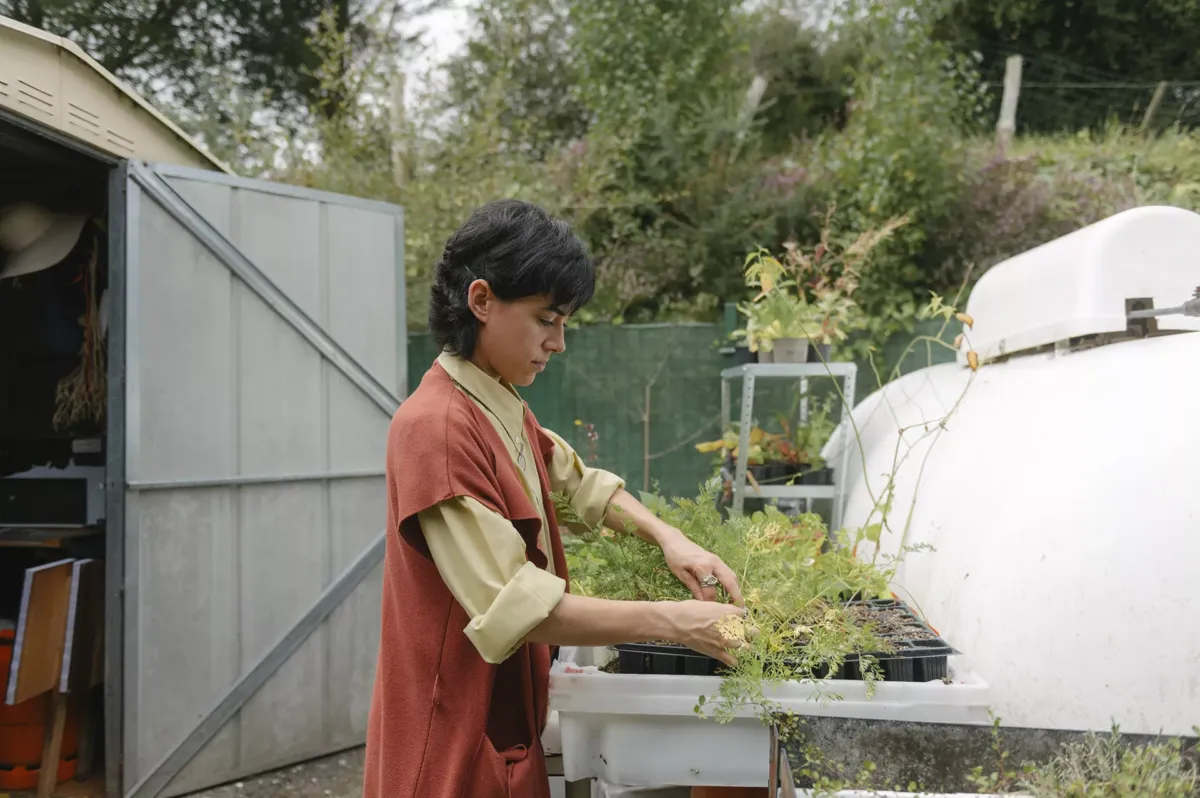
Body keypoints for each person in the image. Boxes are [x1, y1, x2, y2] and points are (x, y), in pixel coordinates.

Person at [363, 199, 746, 798]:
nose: (559, 342)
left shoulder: (497, 402)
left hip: (500, 721)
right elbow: (523, 605)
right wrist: (680, 623)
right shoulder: (434, 428)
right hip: (451, 742)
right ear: (482, 300)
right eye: (547, 319)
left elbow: (578, 484)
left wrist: (671, 539)